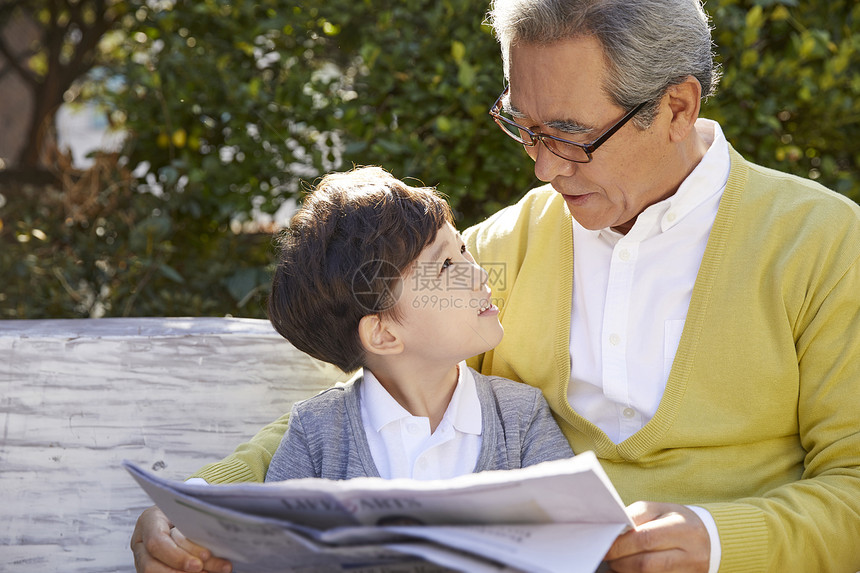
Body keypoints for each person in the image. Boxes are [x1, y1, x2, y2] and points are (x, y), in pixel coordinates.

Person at [132, 0, 860, 572]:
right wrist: (203, 504)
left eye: (570, 135)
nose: (542, 169)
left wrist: (720, 540)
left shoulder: (824, 244)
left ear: (677, 107)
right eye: (523, 126)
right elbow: (364, 403)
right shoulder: (497, 255)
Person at [263, 166, 573, 482]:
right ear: (382, 334)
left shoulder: (520, 418)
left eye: (462, 249)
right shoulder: (315, 436)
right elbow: (272, 530)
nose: (480, 275)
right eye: (446, 266)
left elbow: (576, 524)